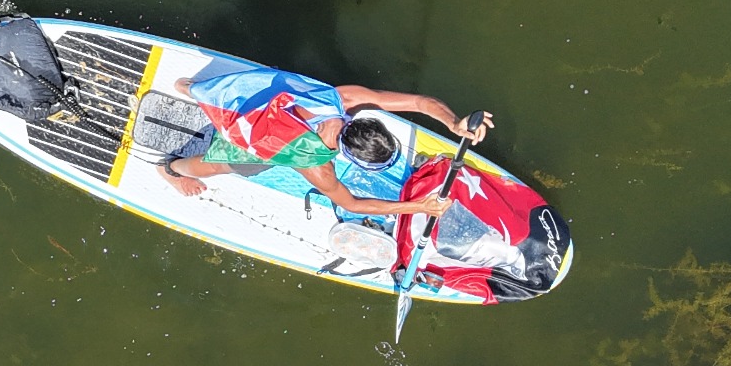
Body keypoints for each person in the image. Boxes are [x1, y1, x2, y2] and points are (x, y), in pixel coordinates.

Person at [153, 60, 493, 219]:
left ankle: (188, 87)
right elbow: (352, 205)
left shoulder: (345, 99)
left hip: (245, 94)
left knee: (199, 88)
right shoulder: (317, 168)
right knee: (233, 164)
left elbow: (419, 103)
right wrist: (416, 206)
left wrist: (454, 123)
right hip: (243, 130)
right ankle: (171, 169)